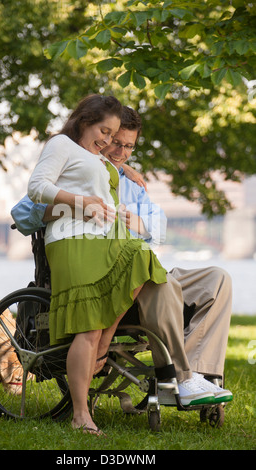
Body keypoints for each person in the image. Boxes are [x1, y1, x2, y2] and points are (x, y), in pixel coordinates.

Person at [13, 104, 232, 410]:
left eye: (129, 146)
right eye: (115, 142)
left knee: (217, 279)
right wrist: (78, 206)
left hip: (144, 267)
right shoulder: (75, 171)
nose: (119, 152)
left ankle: (202, 376)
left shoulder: (132, 185)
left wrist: (139, 224)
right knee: (156, 277)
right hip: (111, 275)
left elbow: (160, 227)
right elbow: (23, 213)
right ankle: (177, 378)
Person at [26, 94, 178, 437]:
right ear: (84, 122)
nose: (108, 141)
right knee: (88, 328)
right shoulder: (61, 145)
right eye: (103, 131)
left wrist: (125, 167)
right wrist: (81, 203)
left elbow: (105, 167)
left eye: (113, 136)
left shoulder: (99, 157)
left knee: (143, 258)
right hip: (72, 241)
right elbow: (37, 187)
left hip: (105, 241)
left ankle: (107, 338)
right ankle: (81, 414)